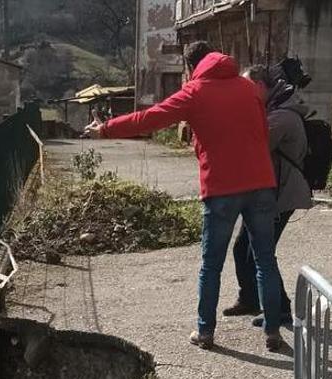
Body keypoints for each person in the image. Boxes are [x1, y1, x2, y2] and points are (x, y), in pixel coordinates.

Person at [84, 41, 285, 351]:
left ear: (192, 66)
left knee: (211, 263)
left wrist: (106, 129)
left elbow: (150, 118)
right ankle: (273, 331)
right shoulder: (249, 89)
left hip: (221, 188)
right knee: (265, 260)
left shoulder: (195, 92)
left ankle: (205, 332)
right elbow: (262, 133)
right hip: (260, 184)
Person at [222, 64, 313, 328]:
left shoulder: (280, 118)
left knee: (261, 253)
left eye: (247, 88)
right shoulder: (272, 111)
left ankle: (280, 309)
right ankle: (249, 298)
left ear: (261, 87)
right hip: (266, 192)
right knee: (243, 248)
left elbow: (250, 145)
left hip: (280, 194)